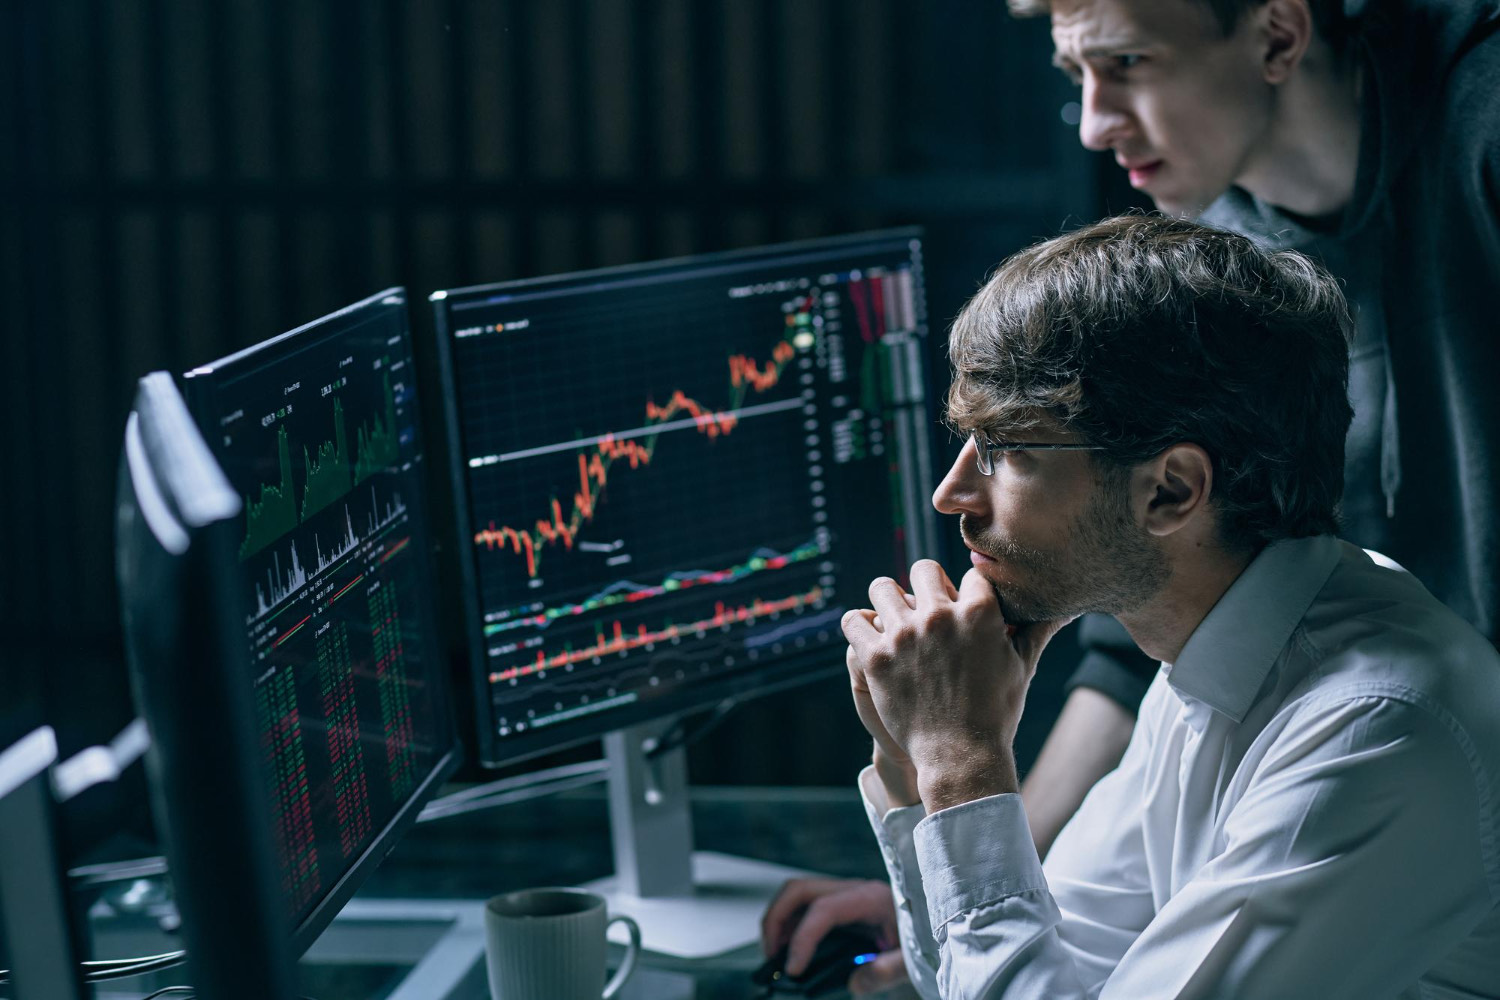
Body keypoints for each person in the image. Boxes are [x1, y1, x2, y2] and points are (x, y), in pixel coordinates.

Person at [765, 215, 1500, 997]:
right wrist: (917, 770)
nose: (953, 495)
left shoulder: (1374, 730)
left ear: (1172, 490)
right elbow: (1053, 967)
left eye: (1004, 448)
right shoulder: (1215, 651)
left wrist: (964, 765)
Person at [1023, 0, 1500, 860]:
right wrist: (966, 886)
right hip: (1390, 813)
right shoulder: (1213, 272)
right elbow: (1149, 638)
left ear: (1278, 35)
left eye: (1128, 61)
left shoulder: (1486, 126)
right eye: (1077, 76)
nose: (1094, 124)